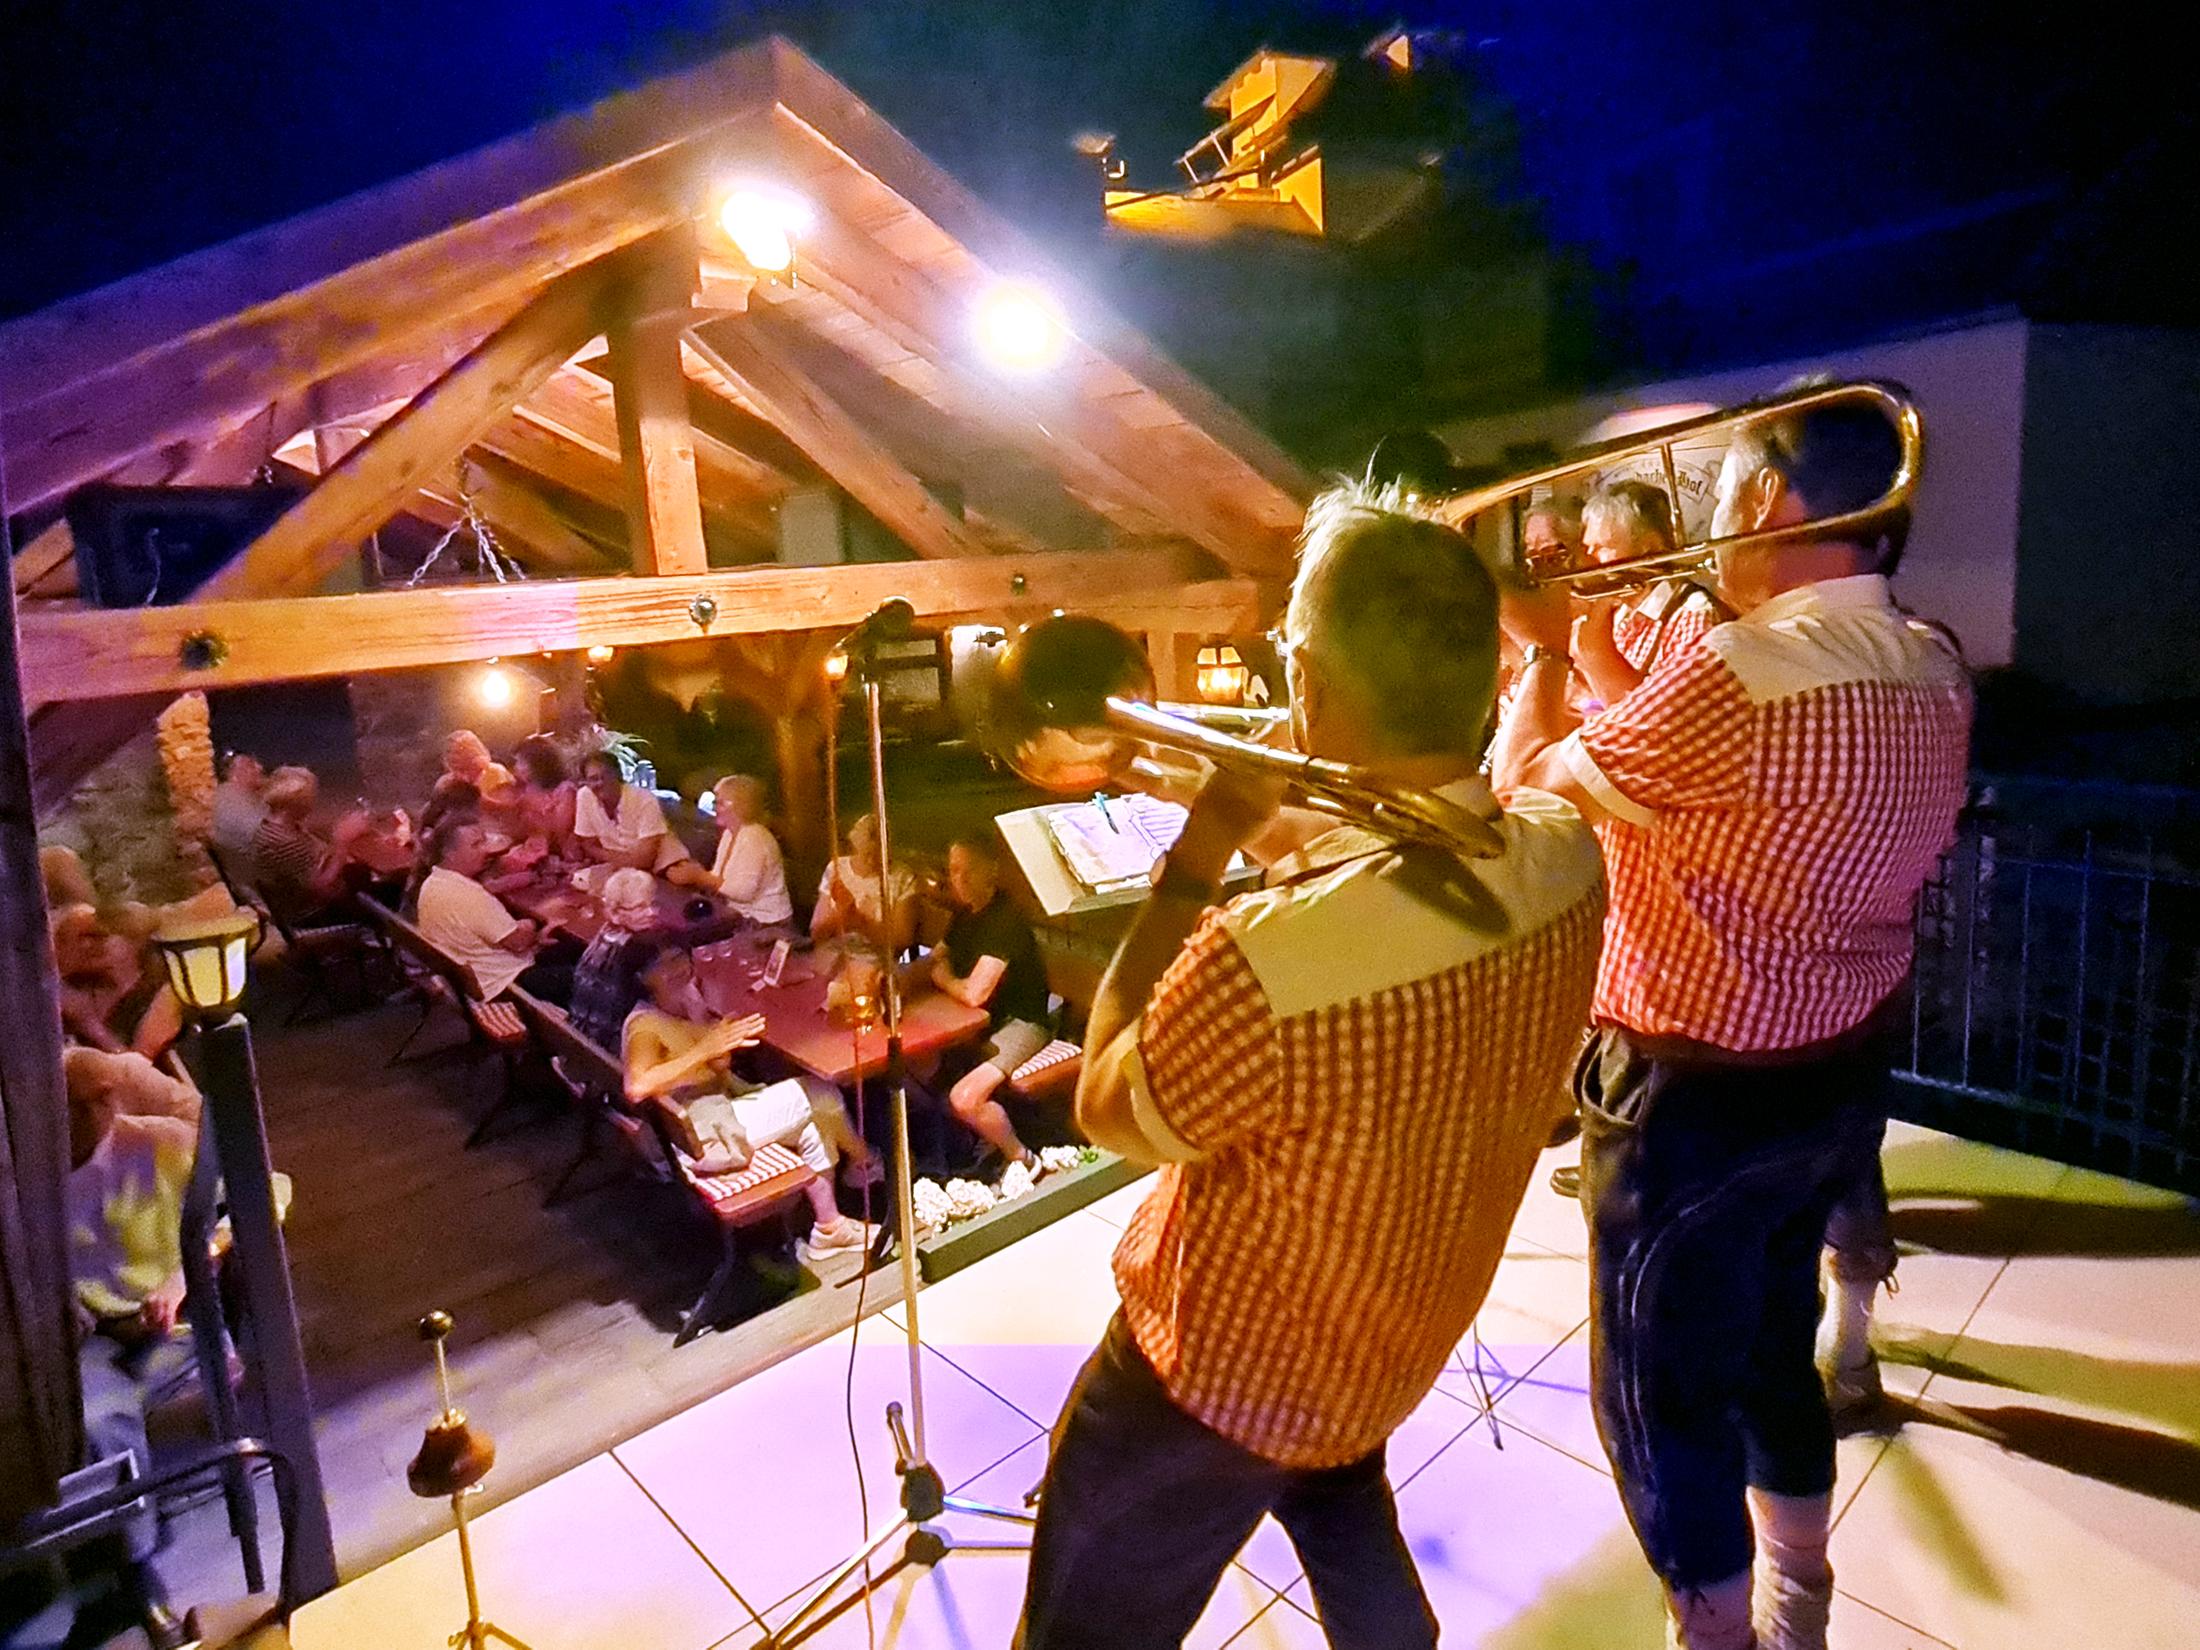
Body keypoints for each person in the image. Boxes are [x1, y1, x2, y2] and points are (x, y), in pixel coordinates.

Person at [1014, 481, 1607, 1650]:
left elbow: (1104, 1102)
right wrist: (1199, 786)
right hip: (1385, 1334)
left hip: (1208, 1385)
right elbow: (1387, 873)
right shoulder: (1564, 852)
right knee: (1337, 1493)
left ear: (1308, 687)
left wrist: (1195, 858)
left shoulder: (1261, 962)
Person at [1490, 398, 1971, 1650]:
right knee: (1770, 1355)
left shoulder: (1736, 672)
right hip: (1835, 1074)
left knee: (1658, 1403)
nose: (1708, 523)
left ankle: (1713, 1638)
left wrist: (1540, 655)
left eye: (1722, 496)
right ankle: (1797, 1608)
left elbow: (1523, 791)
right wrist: (1596, 651)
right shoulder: (1934, 663)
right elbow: (1698, 779)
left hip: (1689, 1099)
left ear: (1765, 500)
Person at [622, 949, 877, 1252]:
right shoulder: (644, 1026)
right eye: (662, 964)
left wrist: (713, 1037)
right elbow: (636, 1086)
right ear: (642, 977)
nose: (676, 967)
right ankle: (865, 1161)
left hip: (701, 1122)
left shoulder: (681, 1003)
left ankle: (830, 1227)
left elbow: (714, 1063)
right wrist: (705, 1048)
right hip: (700, 1141)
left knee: (813, 1117)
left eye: (679, 957)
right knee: (820, 1094)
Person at [921, 834, 1054, 1174]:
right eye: (954, 870)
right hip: (982, 1022)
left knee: (964, 1099)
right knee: (919, 1071)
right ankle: (975, 1148)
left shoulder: (1005, 919)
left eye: (969, 870)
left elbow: (975, 994)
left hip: (1022, 1023)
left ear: (991, 871)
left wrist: (942, 977)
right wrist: (894, 978)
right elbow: (935, 958)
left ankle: (1024, 1160)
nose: (960, 879)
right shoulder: (965, 915)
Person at [1571, 480, 1725, 709]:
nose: (1588, 563)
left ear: (1650, 547)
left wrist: (1595, 650)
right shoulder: (1618, 614)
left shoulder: (1694, 616)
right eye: (1588, 549)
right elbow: (1593, 703)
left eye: (1602, 548)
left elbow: (1668, 715)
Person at [413, 819, 581, 1004]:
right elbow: (518, 941)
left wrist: (536, 936)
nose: (485, 849)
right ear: (450, 854)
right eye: (476, 845)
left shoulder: (431, 885)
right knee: (593, 978)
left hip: (483, 975)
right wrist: (530, 924)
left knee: (571, 948)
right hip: (506, 986)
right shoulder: (468, 894)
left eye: (483, 841)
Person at [52, 903, 185, 1061]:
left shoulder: (161, 997)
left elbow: (138, 1067)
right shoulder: (74, 989)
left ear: (136, 943)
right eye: (66, 939)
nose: (87, 945)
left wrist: (88, 1023)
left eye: (98, 936)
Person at [566, 868, 664, 1049]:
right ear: (615, 913)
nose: (651, 912)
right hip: (607, 1047)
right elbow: (663, 997)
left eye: (654, 904)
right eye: (640, 907)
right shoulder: (639, 948)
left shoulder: (606, 931)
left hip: (579, 1036)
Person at [572, 750, 701, 884]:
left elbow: (645, 860)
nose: (600, 783)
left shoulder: (644, 799)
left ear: (618, 775)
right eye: (593, 779)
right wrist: (622, 859)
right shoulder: (585, 796)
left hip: (667, 866)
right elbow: (588, 844)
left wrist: (607, 855)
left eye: (605, 775)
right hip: (619, 868)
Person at [250, 766, 354, 923]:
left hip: (297, 905)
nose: (312, 804)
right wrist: (343, 842)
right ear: (295, 805)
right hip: (311, 914)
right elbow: (322, 889)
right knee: (383, 889)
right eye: (308, 800)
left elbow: (310, 861)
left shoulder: (272, 827)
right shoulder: (284, 841)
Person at [810, 814, 917, 957]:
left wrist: (860, 923)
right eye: (867, 854)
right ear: (854, 843)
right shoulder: (836, 868)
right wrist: (842, 916)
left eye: (879, 854)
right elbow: (817, 932)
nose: (872, 860)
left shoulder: (902, 877)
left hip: (874, 959)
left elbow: (902, 939)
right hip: (834, 955)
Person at [696, 775, 794, 929]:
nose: (715, 808)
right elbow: (717, 876)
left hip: (766, 924)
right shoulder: (729, 834)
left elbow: (743, 893)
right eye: (716, 802)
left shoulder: (754, 837)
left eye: (721, 803)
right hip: (740, 917)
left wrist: (699, 877)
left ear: (741, 806)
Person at [208, 751, 269, 878]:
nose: (260, 767)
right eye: (250, 765)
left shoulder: (226, 796)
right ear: (234, 773)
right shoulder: (235, 805)